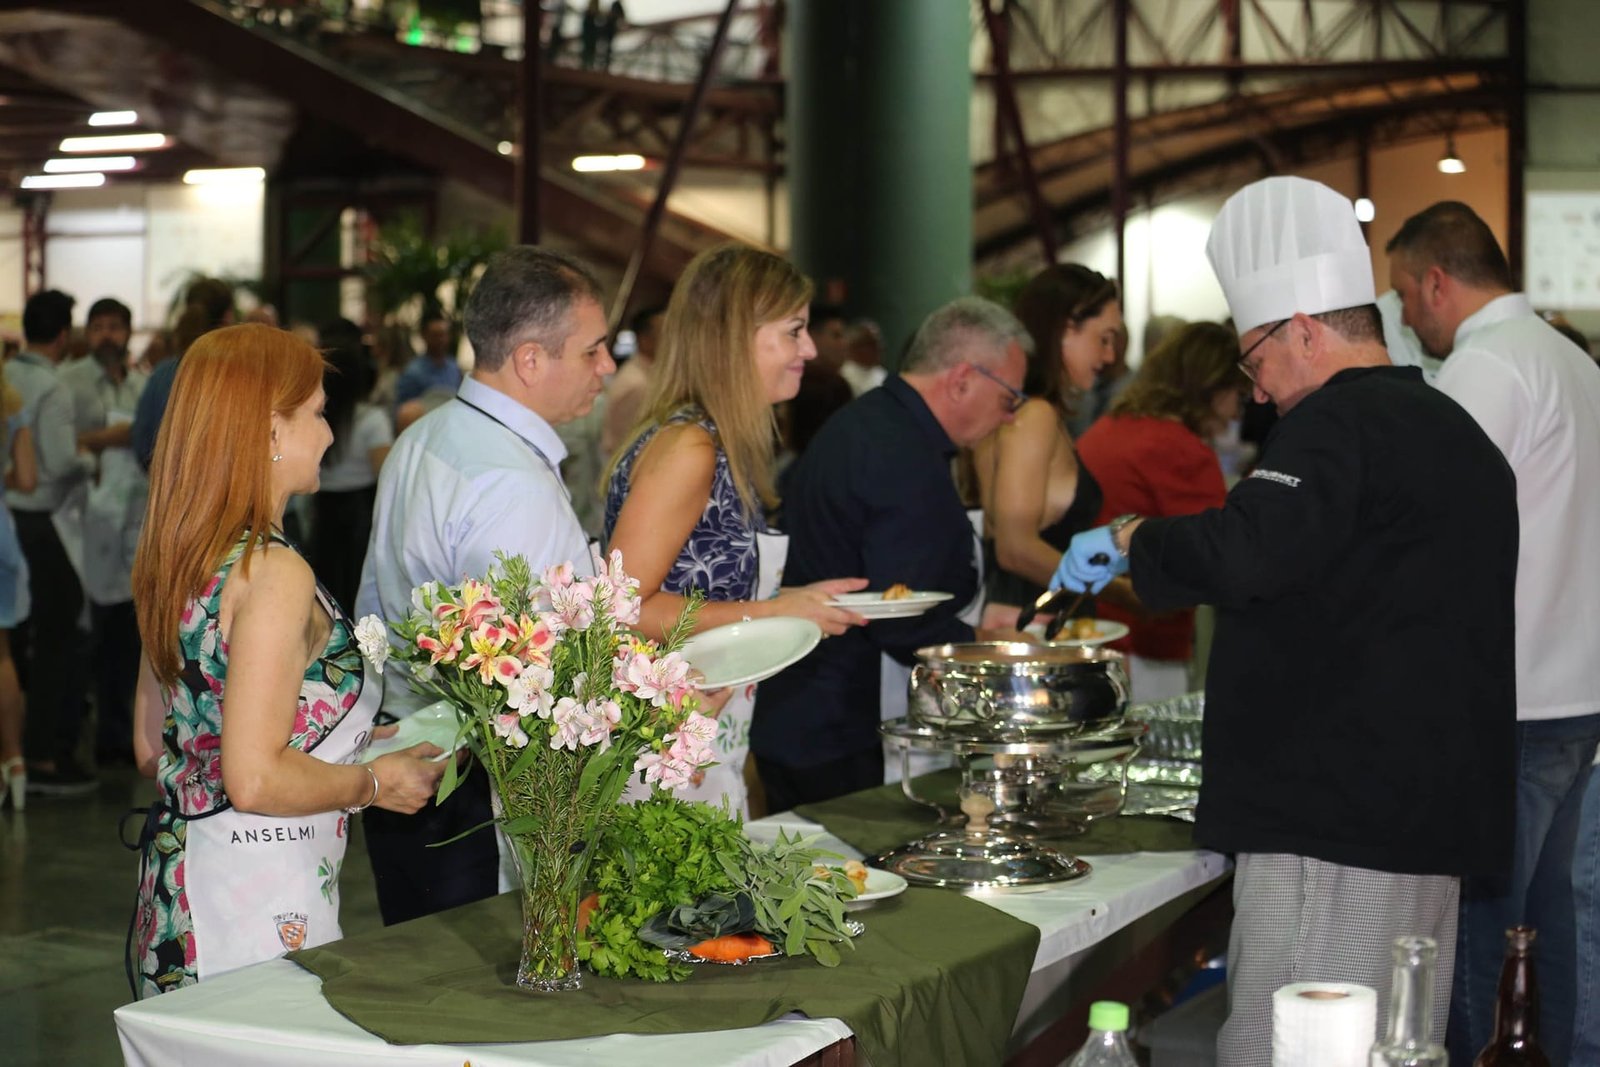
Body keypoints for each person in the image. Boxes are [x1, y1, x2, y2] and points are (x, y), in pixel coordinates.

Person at [1055, 177, 1518, 1064]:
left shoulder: (1339, 422)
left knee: (1296, 1043)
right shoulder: (1451, 426)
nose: (1256, 391)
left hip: (1337, 818)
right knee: (1394, 1041)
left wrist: (1132, 535)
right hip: (1424, 810)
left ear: (1304, 327)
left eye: (1255, 356)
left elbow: (1245, 551)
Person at [126, 324, 445, 998]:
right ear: (269, 432)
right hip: (256, 904)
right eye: (318, 413)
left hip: (188, 889)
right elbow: (255, 776)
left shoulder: (182, 554)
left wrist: (339, 740)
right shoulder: (272, 570)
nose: (330, 434)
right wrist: (372, 783)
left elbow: (155, 741)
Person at [1386, 200, 1600, 1067]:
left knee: (1481, 924)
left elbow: (1438, 530)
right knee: (1544, 919)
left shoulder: (1488, 365)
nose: (1403, 317)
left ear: (1438, 280)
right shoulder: (1571, 357)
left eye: (1404, 296)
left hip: (1510, 691)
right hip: (1579, 682)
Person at [356, 246, 613, 925]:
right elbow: (537, 677)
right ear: (531, 359)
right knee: (483, 1005)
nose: (608, 368)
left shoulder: (431, 433)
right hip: (474, 787)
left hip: (412, 754)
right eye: (593, 351)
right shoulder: (507, 478)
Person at [604, 245, 865, 816]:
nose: (811, 349)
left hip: (695, 732)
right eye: (795, 331)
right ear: (736, 336)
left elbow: (695, 589)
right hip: (659, 748)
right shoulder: (689, 447)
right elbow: (623, 608)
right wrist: (778, 614)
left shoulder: (712, 440)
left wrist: (790, 600)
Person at [754, 296, 1032, 812]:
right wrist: (995, 645)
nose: (1009, 417)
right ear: (962, 379)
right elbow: (905, 619)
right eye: (1010, 398)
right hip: (833, 725)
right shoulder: (898, 452)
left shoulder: (881, 425)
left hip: (808, 711)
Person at [1073, 322, 1246, 704]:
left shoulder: (1112, 427)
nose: (1239, 407)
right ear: (1212, 388)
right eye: (1238, 390)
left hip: (1085, 629)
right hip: (1143, 646)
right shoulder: (1180, 449)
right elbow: (1217, 558)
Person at [973, 264, 1121, 619]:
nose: (1110, 356)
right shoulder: (1034, 415)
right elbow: (1015, 548)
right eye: (1104, 338)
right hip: (1032, 627)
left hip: (1027, 619)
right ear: (1065, 328)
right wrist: (1123, 592)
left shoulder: (1023, 410)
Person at [8, 289, 96, 796]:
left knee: (15, 641)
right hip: (36, 520)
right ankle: (43, 751)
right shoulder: (52, 387)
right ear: (63, 335)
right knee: (61, 631)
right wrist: (88, 459)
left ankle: (15, 749)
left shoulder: (7, 378)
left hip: (7, 515)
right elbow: (60, 462)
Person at [59, 297, 149, 766]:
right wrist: (108, 438)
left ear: (128, 332)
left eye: (115, 327)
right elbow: (58, 443)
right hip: (81, 523)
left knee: (125, 637)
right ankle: (77, 735)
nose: (106, 336)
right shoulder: (69, 383)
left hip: (134, 524)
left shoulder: (141, 385)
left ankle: (119, 735)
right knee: (85, 635)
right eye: (97, 328)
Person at [308, 319, 391, 616]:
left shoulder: (312, 422)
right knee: (359, 590)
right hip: (360, 512)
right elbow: (386, 477)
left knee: (325, 592)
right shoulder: (373, 421)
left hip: (322, 510)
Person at [132, 277, 235, 470]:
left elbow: (142, 443)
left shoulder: (163, 373)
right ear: (228, 317)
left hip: (169, 491)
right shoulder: (237, 374)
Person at [0, 367, 37, 808]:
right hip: (2, 536)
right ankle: (15, 759)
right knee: (3, 654)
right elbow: (28, 478)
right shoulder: (11, 405)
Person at [600, 305, 662, 459]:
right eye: (664, 333)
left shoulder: (646, 375)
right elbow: (633, 443)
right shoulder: (638, 383)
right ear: (645, 339)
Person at [392, 313, 462, 407]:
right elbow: (402, 410)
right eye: (436, 335)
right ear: (424, 336)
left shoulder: (453, 368)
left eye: (444, 334)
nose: (441, 340)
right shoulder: (413, 373)